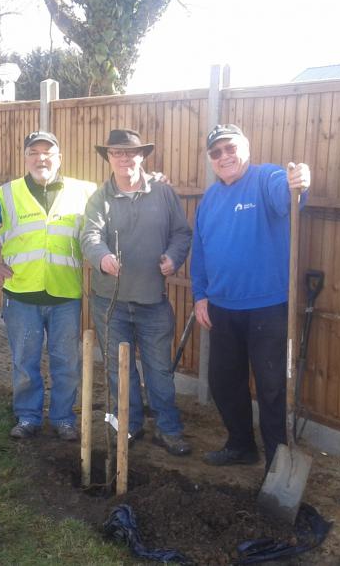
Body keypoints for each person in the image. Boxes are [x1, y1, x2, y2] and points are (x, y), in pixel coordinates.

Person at [190, 123, 310, 471]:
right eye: (216, 152)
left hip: (268, 308)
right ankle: (241, 445)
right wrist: (200, 295)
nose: (224, 156)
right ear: (211, 160)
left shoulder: (266, 178)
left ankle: (277, 462)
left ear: (246, 148)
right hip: (222, 308)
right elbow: (200, 252)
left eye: (230, 148)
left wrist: (298, 183)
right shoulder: (210, 199)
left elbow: (287, 194)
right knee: (224, 382)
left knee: (272, 388)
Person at [0, 131, 96, 441]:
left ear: (59, 158)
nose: (41, 158)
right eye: (34, 152)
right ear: (25, 157)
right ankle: (28, 417)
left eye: (48, 152)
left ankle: (63, 419)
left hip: (65, 294)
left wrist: (149, 180)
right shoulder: (5, 194)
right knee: (25, 362)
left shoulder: (84, 192)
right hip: (21, 294)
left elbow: (112, 211)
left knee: (66, 363)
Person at [81, 129, 193, 456]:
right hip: (110, 302)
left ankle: (168, 429)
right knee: (120, 369)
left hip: (152, 301)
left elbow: (181, 233)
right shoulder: (99, 199)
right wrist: (102, 257)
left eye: (131, 152)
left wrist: (174, 257)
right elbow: (90, 235)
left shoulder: (163, 193)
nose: (124, 158)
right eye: (117, 152)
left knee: (159, 369)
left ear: (142, 156)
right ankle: (129, 426)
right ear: (109, 158)